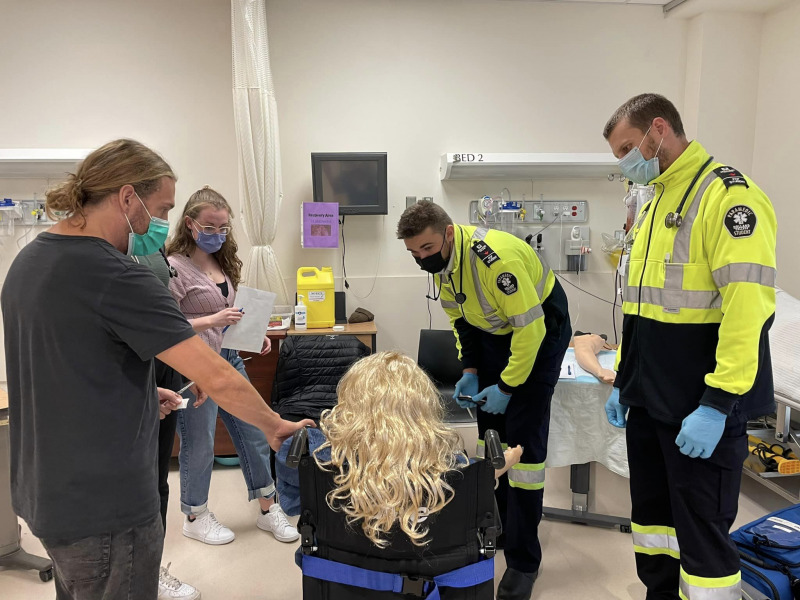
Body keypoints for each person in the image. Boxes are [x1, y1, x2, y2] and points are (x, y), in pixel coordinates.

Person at [0, 139, 312, 600]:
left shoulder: (28, 261)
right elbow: (217, 374)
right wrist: (273, 425)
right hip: (105, 506)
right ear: (128, 198)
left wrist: (144, 395)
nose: (159, 224)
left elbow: (68, 366)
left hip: (43, 493)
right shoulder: (118, 276)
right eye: (161, 208)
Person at [602, 93, 777, 599]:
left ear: (659, 130)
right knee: (654, 530)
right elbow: (640, 305)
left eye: (628, 149)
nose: (626, 163)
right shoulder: (655, 200)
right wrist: (624, 380)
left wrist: (719, 403)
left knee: (702, 544)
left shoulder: (728, 197)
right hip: (649, 402)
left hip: (700, 409)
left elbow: (749, 310)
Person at [396, 201, 571, 600]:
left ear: (448, 232)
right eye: (413, 254)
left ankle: (525, 561)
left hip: (540, 333)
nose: (422, 259)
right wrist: (471, 371)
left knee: (524, 452)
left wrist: (508, 388)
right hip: (497, 336)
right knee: (492, 441)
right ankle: (503, 526)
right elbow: (461, 321)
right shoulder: (445, 267)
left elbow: (531, 332)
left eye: (426, 248)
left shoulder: (495, 260)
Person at [166, 187, 298, 546]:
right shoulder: (174, 267)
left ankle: (269, 509)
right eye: (210, 227)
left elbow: (231, 314)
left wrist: (253, 334)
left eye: (223, 227)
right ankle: (195, 514)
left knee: (255, 433)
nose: (217, 234)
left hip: (229, 359)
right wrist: (212, 320)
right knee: (200, 442)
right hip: (195, 365)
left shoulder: (223, 262)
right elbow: (167, 326)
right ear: (190, 224)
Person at [274, 351, 523, 520]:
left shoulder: (319, 453)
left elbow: (291, 503)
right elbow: (473, 477)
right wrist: (506, 462)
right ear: (422, 406)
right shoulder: (443, 462)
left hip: (344, 577)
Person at [133, 247, 200, 600]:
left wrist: (192, 369)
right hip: (132, 375)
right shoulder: (106, 257)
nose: (163, 219)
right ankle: (139, 573)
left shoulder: (155, 252)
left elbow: (168, 321)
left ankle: (151, 569)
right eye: (160, 206)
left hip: (164, 370)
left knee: (158, 480)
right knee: (136, 485)